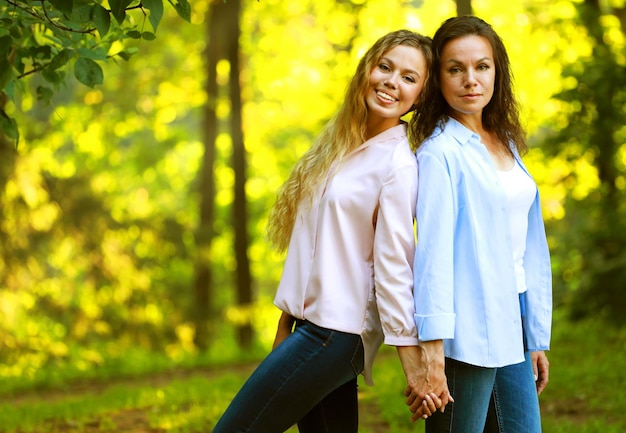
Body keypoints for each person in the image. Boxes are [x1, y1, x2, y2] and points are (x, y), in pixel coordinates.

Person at [212, 30, 442, 433]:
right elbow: (309, 248)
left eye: (409, 77)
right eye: (385, 67)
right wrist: (285, 326)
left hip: (335, 334)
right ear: (366, 70)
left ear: (420, 95)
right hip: (309, 328)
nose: (391, 81)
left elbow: (393, 267)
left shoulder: (398, 165)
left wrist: (414, 362)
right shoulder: (337, 145)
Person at [406, 15, 552, 433]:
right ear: (439, 78)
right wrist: (432, 351)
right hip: (466, 330)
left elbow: (527, 245)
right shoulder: (439, 153)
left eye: (481, 66)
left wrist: (535, 338)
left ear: (496, 71)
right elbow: (432, 257)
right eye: (456, 69)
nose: (471, 79)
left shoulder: (504, 140)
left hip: (515, 319)